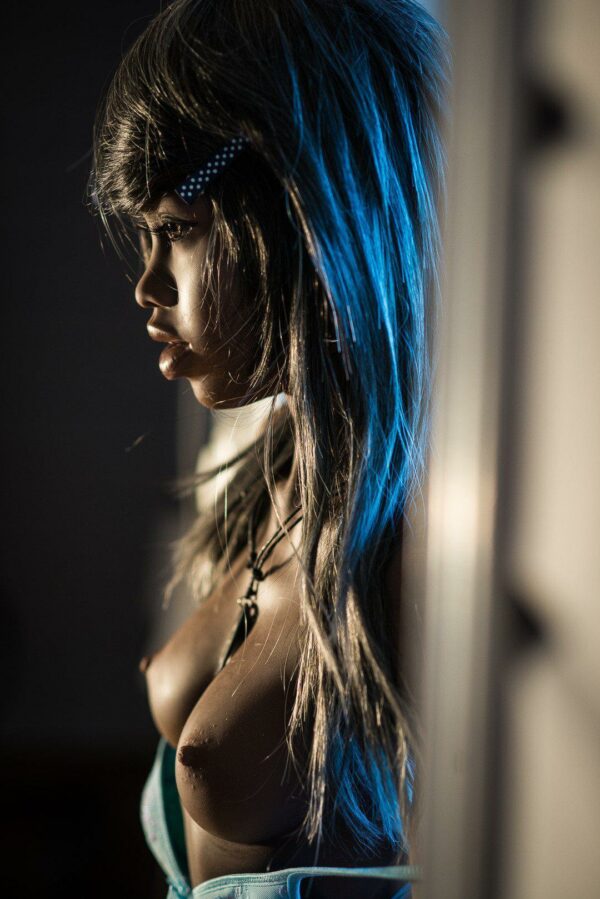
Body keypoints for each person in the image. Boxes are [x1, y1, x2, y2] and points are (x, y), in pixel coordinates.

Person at [88, 1, 449, 896]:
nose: (146, 285)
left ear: (303, 206)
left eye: (178, 227)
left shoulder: (428, 536)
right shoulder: (273, 472)